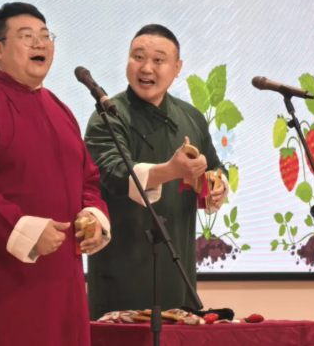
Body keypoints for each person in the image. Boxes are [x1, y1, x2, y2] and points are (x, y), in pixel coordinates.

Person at [0, 2, 111, 346]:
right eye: (26, 36)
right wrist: (26, 230)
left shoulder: (61, 110)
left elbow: (88, 180)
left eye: (46, 36)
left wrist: (93, 216)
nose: (40, 44)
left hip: (65, 283)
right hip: (4, 282)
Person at [84, 24, 228, 320]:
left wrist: (217, 185)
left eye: (158, 60)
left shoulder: (191, 116)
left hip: (177, 267)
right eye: (137, 57)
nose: (146, 68)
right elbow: (114, 173)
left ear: (177, 68)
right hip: (122, 270)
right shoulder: (107, 116)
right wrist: (170, 170)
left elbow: (214, 166)